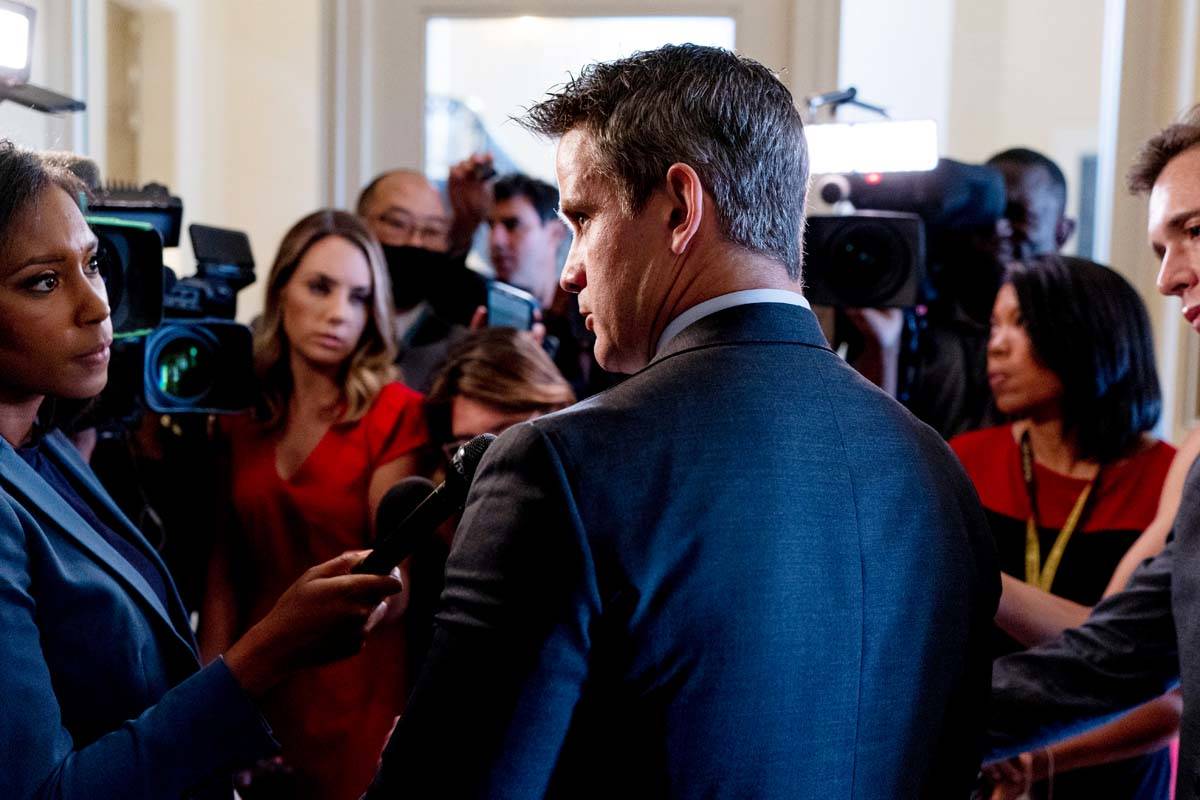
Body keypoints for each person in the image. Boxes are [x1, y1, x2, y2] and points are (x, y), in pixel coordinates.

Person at [366, 44, 998, 799]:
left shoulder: (561, 468)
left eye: (582, 216)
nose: (569, 270)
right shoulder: (936, 469)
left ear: (678, 207)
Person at [0, 143, 404, 799]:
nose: (98, 306)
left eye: (94, 264)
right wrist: (265, 653)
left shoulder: (48, 452)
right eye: (43, 281)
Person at [984, 105, 1200, 800]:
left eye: (1193, 234)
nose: (1168, 279)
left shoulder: (1163, 464)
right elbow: (1124, 649)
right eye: (1161, 250)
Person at [198, 210, 428, 799]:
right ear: (282, 291)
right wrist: (202, 694)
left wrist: (370, 605)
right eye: (320, 287)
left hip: (354, 684)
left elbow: (397, 561)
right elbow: (224, 570)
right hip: (257, 680)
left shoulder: (393, 411)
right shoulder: (242, 414)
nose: (338, 314)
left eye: (359, 297)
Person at [951, 255, 1177, 798]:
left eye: (1021, 323)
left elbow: (1165, 692)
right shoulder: (963, 459)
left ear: (1088, 333)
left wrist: (1038, 758)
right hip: (983, 768)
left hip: (1110, 779)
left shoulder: (1169, 479)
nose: (997, 345)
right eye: (994, 325)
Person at [405, 327, 576, 675]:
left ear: (557, 411)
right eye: (469, 447)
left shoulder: (601, 523)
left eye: (508, 436)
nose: (489, 465)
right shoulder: (442, 536)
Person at [448, 168, 615, 398]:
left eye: (512, 224)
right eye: (490, 225)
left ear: (555, 233)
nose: (496, 240)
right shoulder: (477, 303)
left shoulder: (591, 315)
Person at [357, 168, 486, 391]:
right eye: (398, 223)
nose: (415, 242)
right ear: (361, 224)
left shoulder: (459, 331)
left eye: (432, 231)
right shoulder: (334, 316)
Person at [986, 147, 1078, 264]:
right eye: (985, 213)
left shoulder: (1095, 280)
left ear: (1062, 233)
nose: (997, 228)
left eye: (1016, 215)